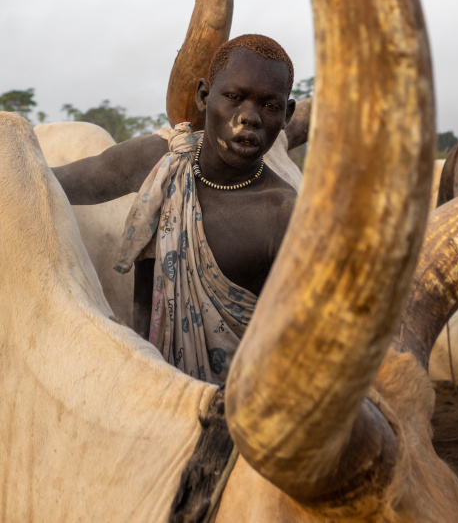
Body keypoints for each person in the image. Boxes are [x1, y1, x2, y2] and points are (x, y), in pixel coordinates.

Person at [53, 34, 296, 383]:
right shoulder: (160, 161)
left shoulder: (285, 214)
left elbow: (297, 341)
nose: (248, 117)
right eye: (233, 97)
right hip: (144, 394)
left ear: (287, 114)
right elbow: (48, 183)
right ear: (203, 96)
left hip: (229, 413)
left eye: (269, 105)